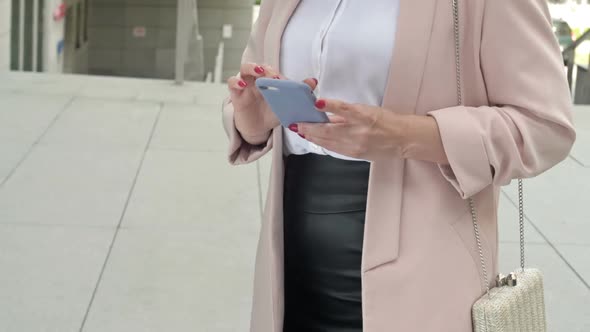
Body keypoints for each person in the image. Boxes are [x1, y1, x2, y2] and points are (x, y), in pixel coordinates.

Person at [221, 0, 576, 331]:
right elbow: (252, 85)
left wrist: (405, 135)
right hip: (291, 255)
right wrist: (250, 122)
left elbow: (545, 124)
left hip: (423, 265)